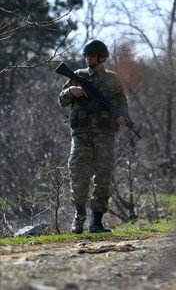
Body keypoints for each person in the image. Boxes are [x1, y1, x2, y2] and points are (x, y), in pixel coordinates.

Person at [58, 39, 129, 234]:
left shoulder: (114, 80)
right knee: (79, 175)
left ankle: (96, 222)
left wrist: (123, 117)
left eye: (93, 55)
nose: (89, 58)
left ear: (102, 57)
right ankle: (79, 218)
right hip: (81, 135)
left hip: (105, 136)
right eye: (87, 55)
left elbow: (122, 104)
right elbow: (61, 100)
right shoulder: (77, 76)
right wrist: (70, 91)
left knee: (103, 178)